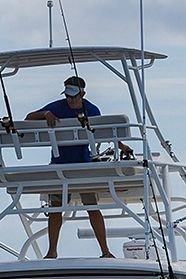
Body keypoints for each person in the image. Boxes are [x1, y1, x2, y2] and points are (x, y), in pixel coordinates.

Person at [25, 76, 130, 259]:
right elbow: (29, 117)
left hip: (83, 166)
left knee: (91, 206)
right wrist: (45, 114)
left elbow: (103, 132)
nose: (70, 99)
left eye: (73, 95)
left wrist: (122, 147)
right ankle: (52, 252)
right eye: (67, 95)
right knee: (55, 207)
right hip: (60, 166)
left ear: (83, 93)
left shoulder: (91, 109)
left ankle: (105, 251)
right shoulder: (56, 107)